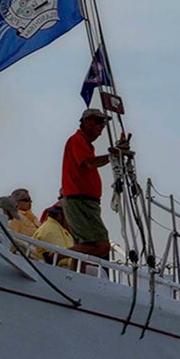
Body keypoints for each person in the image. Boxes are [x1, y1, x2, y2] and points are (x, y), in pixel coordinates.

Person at [60, 108, 128, 259]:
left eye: (103, 123)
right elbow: (89, 163)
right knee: (101, 246)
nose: (102, 126)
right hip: (80, 201)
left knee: (85, 245)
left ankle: (73, 269)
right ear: (86, 122)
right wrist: (113, 155)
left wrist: (114, 154)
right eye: (98, 121)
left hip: (83, 201)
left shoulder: (84, 143)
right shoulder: (77, 140)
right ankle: (54, 256)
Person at [32, 201, 75, 269]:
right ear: (59, 216)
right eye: (68, 216)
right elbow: (61, 258)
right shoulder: (51, 230)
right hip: (58, 269)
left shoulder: (56, 228)